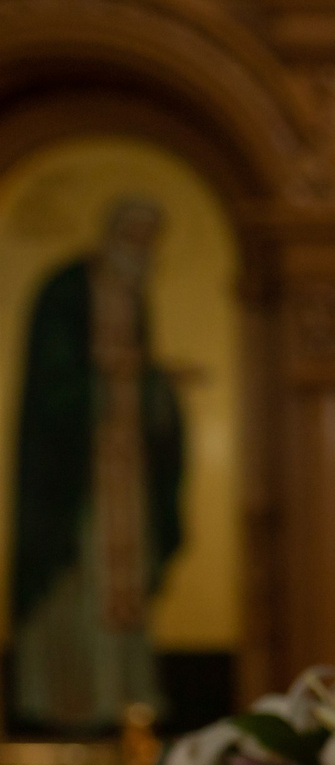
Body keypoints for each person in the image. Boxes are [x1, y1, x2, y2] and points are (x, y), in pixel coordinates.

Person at [8, 198, 183, 734]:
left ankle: (125, 703)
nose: (143, 249)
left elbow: (143, 376)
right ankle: (65, 709)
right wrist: (113, 379)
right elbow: (52, 388)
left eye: (151, 239)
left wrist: (155, 388)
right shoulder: (66, 291)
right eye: (135, 235)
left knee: (122, 587)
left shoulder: (134, 295)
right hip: (72, 484)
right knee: (75, 589)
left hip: (126, 477)